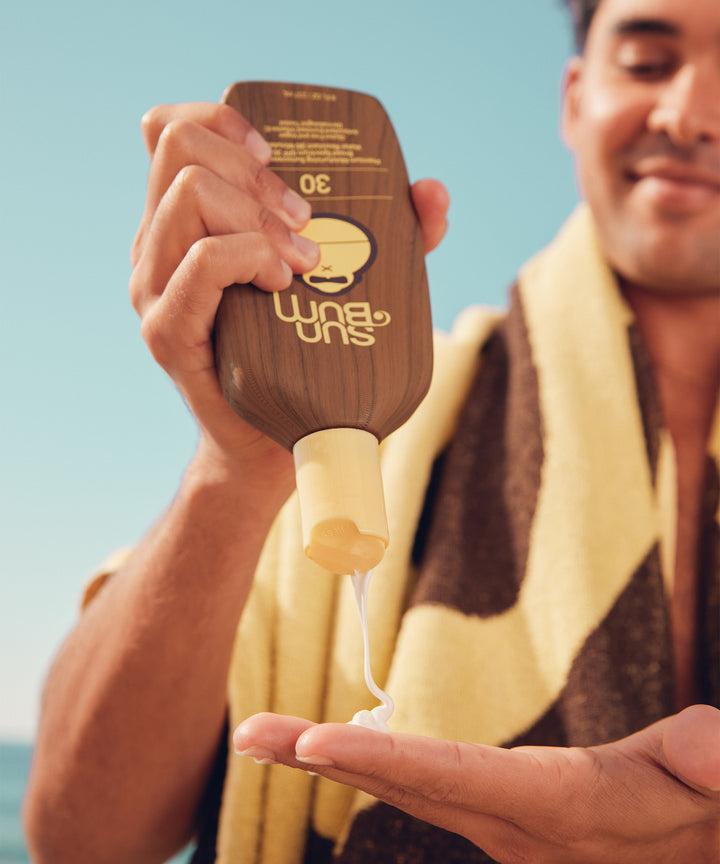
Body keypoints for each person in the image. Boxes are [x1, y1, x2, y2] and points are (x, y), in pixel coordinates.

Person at [24, 0, 720, 861]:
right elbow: (81, 838)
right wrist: (238, 467)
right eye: (649, 64)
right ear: (575, 101)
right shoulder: (382, 412)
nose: (691, 114)